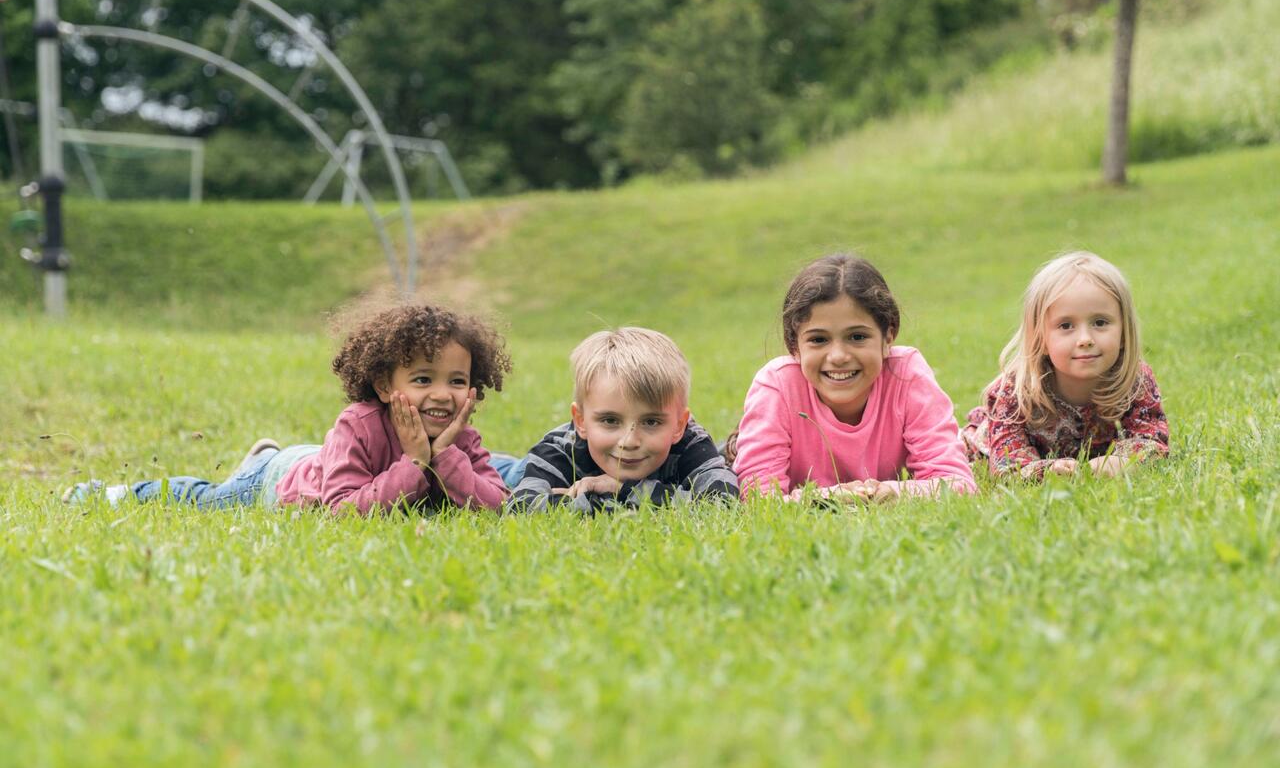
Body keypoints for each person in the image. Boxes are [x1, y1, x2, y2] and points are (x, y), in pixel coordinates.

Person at [65, 303, 512, 514]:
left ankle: (261, 456)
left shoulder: (461, 438)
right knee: (209, 500)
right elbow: (343, 514)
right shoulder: (358, 425)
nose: (441, 395)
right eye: (421, 379)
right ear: (382, 383)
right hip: (280, 481)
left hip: (315, 460)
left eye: (457, 381)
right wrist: (415, 461)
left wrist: (448, 456)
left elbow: (498, 507)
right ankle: (109, 494)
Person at [732, 253, 976, 502]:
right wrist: (830, 499)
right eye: (818, 340)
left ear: (888, 337)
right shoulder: (777, 386)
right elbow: (758, 501)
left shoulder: (907, 374)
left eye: (857, 337)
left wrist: (893, 493)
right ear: (795, 346)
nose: (838, 356)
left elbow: (956, 483)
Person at [961, 251, 1168, 479]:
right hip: (980, 450)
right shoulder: (1016, 390)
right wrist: (1045, 472)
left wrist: (1120, 462)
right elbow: (1008, 465)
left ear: (1123, 331)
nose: (1085, 339)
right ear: (1041, 337)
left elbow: (1152, 442)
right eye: (1066, 326)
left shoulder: (1135, 380)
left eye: (1100, 322)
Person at [503, 327, 737, 513]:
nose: (629, 441)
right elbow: (521, 508)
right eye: (610, 420)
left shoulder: (690, 443)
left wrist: (622, 490)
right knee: (507, 474)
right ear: (581, 421)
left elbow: (723, 504)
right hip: (517, 469)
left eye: (651, 422)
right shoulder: (561, 449)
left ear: (679, 425)